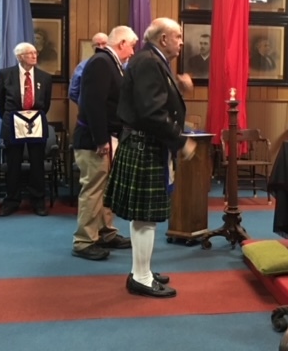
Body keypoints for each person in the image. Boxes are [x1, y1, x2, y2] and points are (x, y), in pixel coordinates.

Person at [104, 17, 197, 298]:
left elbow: (152, 99)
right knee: (145, 218)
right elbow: (151, 112)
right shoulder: (148, 61)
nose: (181, 42)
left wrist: (178, 88)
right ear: (163, 39)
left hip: (145, 145)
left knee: (143, 218)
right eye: (178, 36)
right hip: (145, 146)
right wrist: (180, 141)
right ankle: (141, 277)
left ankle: (140, 270)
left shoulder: (152, 59)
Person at [71, 26, 138, 261]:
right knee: (93, 190)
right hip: (94, 140)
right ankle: (84, 241)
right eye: (131, 46)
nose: (132, 52)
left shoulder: (110, 63)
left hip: (107, 137)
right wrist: (100, 138)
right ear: (121, 43)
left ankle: (105, 232)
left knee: (105, 189)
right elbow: (93, 103)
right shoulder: (101, 62)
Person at [0, 42, 52, 217]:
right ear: (20, 57)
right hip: (12, 122)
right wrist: (12, 117)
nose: (34, 56)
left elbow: (46, 104)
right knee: (13, 163)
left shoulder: (45, 77)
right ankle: (12, 200)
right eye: (29, 53)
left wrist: (31, 117)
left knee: (37, 163)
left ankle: (38, 201)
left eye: (35, 52)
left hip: (36, 122)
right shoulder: (5, 74)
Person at [68, 32, 108, 104]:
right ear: (92, 47)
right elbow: (73, 92)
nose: (101, 47)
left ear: (109, 45)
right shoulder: (82, 66)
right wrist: (84, 104)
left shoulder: (119, 64)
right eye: (97, 44)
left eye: (104, 43)